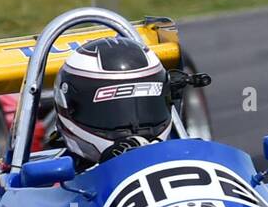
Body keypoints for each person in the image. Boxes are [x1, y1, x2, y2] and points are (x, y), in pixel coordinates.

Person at [52, 36, 176, 164]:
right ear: (67, 107)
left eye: (148, 109)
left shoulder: (183, 155)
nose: (137, 137)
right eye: (110, 113)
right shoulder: (56, 177)